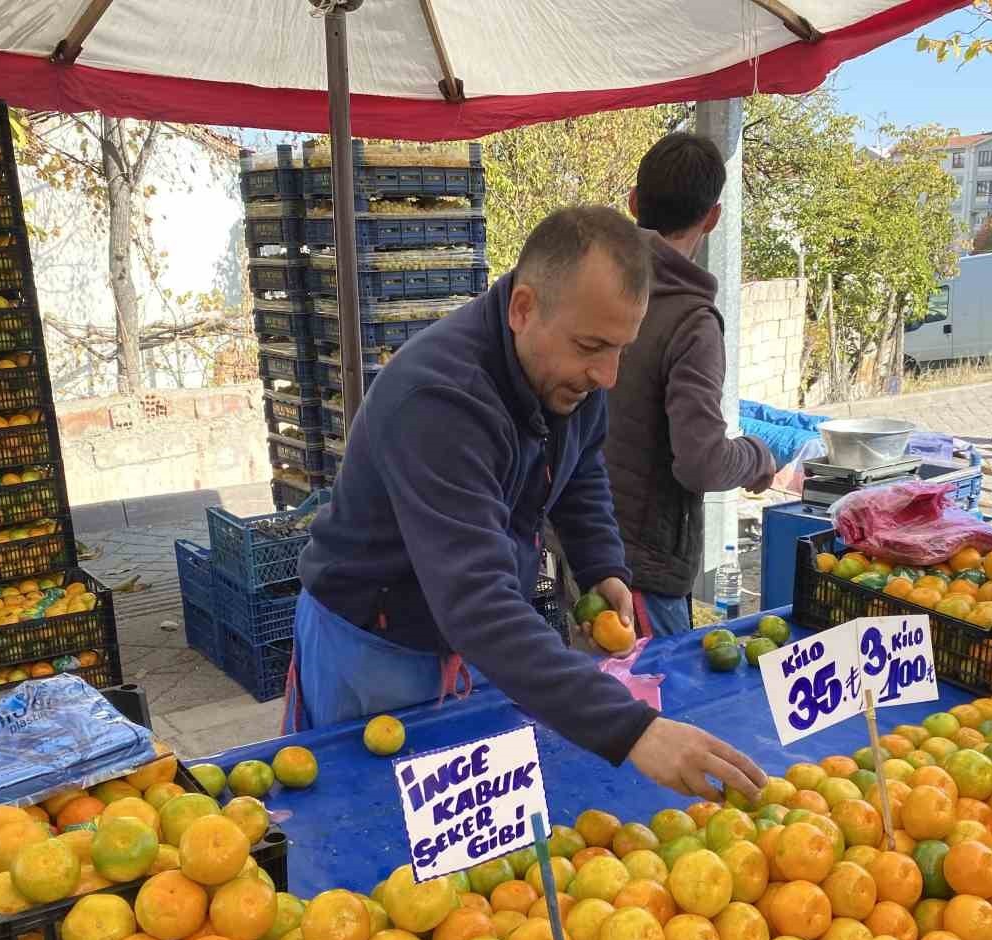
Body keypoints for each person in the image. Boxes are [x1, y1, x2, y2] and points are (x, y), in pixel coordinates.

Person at [292, 206, 765, 802]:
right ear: (522, 308)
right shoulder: (440, 401)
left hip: (470, 636)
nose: (610, 374)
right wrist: (633, 729)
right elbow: (477, 601)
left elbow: (581, 470)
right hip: (375, 642)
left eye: (621, 348)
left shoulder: (571, 375)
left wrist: (602, 566)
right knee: (369, 830)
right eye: (592, 346)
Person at [604, 132, 775, 638]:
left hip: (584, 548)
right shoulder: (691, 322)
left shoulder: (593, 286)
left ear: (634, 203)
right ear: (713, 217)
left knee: (597, 700)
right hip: (643, 571)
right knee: (655, 706)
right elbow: (700, 461)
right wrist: (758, 457)